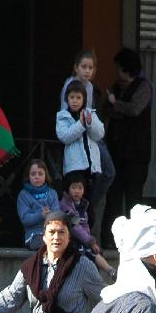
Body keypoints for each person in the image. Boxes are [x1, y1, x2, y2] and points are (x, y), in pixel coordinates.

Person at [59, 50, 115, 236]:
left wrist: (89, 122)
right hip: (77, 142)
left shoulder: (90, 87)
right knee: (76, 190)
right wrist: (82, 123)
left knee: (107, 173)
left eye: (90, 68)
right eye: (83, 67)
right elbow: (66, 123)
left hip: (90, 140)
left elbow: (94, 121)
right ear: (76, 68)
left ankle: (89, 206)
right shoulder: (69, 86)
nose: (87, 71)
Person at [103, 47, 152, 227]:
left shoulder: (143, 87)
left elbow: (135, 109)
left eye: (118, 67)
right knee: (113, 197)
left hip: (136, 153)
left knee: (134, 199)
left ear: (126, 68)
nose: (116, 71)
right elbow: (106, 110)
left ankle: (135, 235)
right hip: (116, 150)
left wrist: (116, 104)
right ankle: (110, 236)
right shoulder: (116, 87)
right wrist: (118, 107)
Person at [57, 79, 106, 203]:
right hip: (74, 167)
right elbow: (65, 136)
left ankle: (88, 215)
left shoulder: (90, 113)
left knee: (89, 201)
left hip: (92, 166)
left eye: (78, 97)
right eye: (72, 97)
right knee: (74, 200)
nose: (75, 101)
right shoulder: (63, 116)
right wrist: (81, 124)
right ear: (67, 99)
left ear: (84, 99)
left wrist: (90, 123)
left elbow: (99, 134)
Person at [59, 173, 112, 276]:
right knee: (87, 251)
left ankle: (102, 274)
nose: (77, 191)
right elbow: (75, 227)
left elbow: (84, 225)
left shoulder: (83, 204)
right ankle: (109, 271)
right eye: (74, 188)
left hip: (82, 239)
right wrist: (89, 241)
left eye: (80, 188)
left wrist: (90, 240)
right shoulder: (65, 205)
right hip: (70, 239)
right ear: (68, 188)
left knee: (96, 251)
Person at [17, 159, 61, 250]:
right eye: (33, 174)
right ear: (28, 176)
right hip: (34, 235)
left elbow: (57, 215)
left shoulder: (52, 193)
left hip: (53, 233)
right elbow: (25, 219)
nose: (37, 177)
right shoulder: (23, 195)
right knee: (45, 244)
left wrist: (49, 215)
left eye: (40, 174)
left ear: (46, 175)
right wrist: (40, 215)